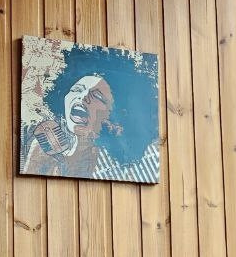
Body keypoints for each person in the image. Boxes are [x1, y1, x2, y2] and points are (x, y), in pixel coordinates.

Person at [22, 46, 159, 183]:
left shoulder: (118, 164)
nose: (82, 97)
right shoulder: (42, 146)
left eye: (97, 96)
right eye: (77, 90)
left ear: (115, 116)